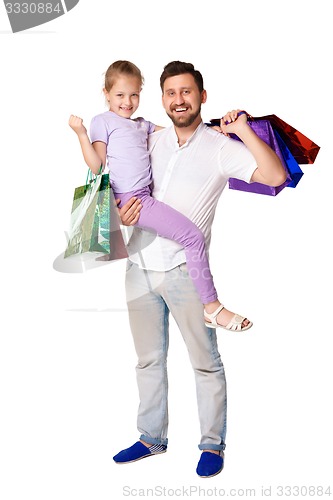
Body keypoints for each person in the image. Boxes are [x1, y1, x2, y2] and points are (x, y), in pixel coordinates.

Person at [114, 61, 287, 477]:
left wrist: (243, 128)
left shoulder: (221, 145)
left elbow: (275, 175)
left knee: (205, 362)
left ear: (202, 96)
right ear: (162, 99)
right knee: (147, 360)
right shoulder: (151, 139)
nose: (179, 100)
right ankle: (151, 438)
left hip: (184, 274)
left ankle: (212, 444)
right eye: (171, 93)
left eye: (187, 92)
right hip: (138, 266)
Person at [69, 60, 252, 331]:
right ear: (106, 93)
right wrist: (81, 134)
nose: (127, 102)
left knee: (191, 237)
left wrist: (215, 130)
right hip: (131, 199)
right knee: (192, 237)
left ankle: (207, 306)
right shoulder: (102, 122)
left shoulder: (141, 124)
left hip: (144, 197)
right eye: (119, 95)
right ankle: (211, 307)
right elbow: (97, 166)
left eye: (134, 95)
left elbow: (176, 134)